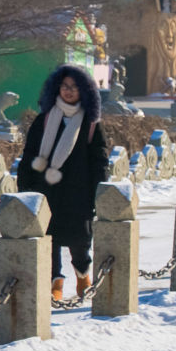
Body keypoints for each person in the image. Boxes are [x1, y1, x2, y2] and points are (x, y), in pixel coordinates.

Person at [19, 65, 110, 300]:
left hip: (78, 192)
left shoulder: (90, 123)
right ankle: (54, 282)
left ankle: (82, 274)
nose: (69, 91)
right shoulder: (45, 119)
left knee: (79, 239)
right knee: (49, 239)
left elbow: (98, 160)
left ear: (84, 91)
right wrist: (25, 185)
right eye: (65, 86)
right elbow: (30, 153)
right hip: (46, 189)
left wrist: (98, 190)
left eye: (74, 87)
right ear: (57, 88)